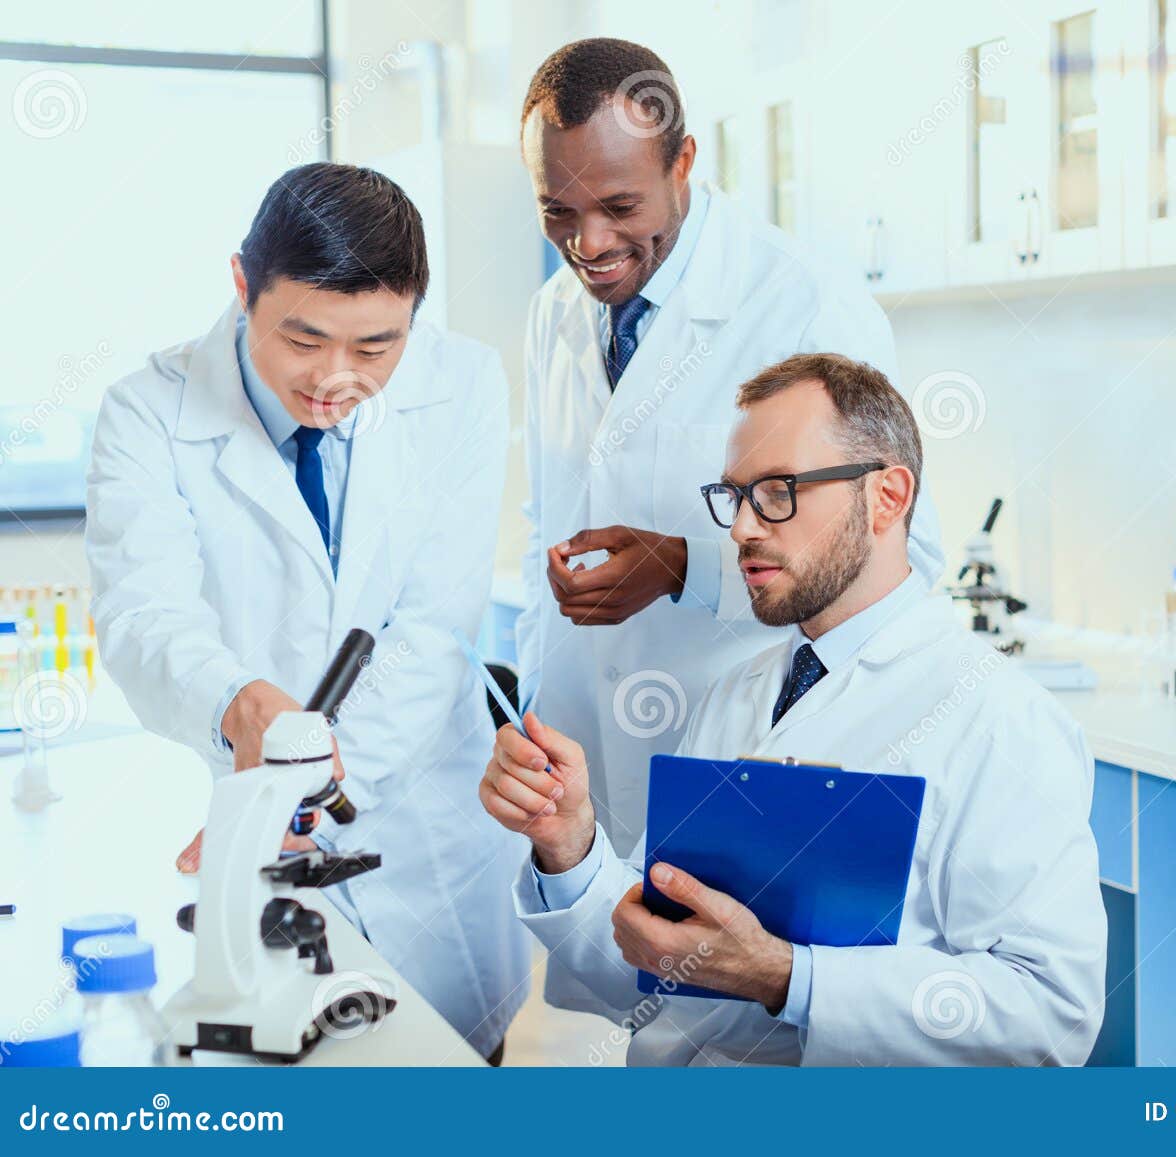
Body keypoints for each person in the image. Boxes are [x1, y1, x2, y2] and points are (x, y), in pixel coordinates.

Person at [482, 353, 1106, 1065]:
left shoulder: (996, 717)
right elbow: (656, 960)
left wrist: (789, 977)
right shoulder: (739, 691)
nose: (744, 527)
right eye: (735, 494)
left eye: (778, 491)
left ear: (888, 496)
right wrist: (568, 844)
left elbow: (1049, 1018)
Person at [86, 163, 531, 1061]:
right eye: (303, 337)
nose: (336, 378)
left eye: (376, 348)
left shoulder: (464, 385)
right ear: (243, 286)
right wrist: (237, 700)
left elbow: (432, 630)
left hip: (425, 852)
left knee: (439, 1074)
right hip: (249, 837)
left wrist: (308, 792)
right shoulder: (148, 413)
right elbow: (145, 613)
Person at [515, 38, 945, 854]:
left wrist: (685, 566)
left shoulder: (806, 303)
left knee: (735, 973)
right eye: (557, 212)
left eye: (620, 206)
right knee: (610, 959)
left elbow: (910, 556)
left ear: (682, 163)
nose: (590, 244)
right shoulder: (552, 315)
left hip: (746, 758)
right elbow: (550, 516)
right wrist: (534, 700)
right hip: (581, 771)